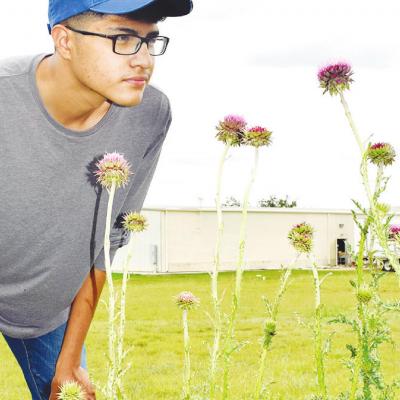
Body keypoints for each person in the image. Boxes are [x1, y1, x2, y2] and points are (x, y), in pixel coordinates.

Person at [0, 0, 193, 399]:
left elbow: (109, 243)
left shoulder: (150, 114)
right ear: (64, 41)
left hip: (44, 311)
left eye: (149, 40)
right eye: (123, 38)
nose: (143, 60)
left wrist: (69, 359)